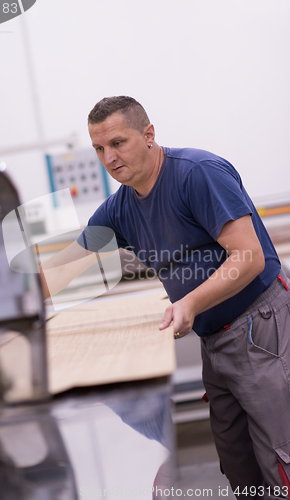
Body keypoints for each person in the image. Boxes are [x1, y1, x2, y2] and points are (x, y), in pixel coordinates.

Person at [41, 96, 290, 498]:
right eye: (99, 148)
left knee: (281, 460)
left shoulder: (198, 174)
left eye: (118, 143)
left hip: (261, 326)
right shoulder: (119, 210)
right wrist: (1, 305)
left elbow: (249, 258)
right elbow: (59, 270)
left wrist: (189, 303)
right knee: (240, 465)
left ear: (149, 135)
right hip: (215, 337)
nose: (109, 157)